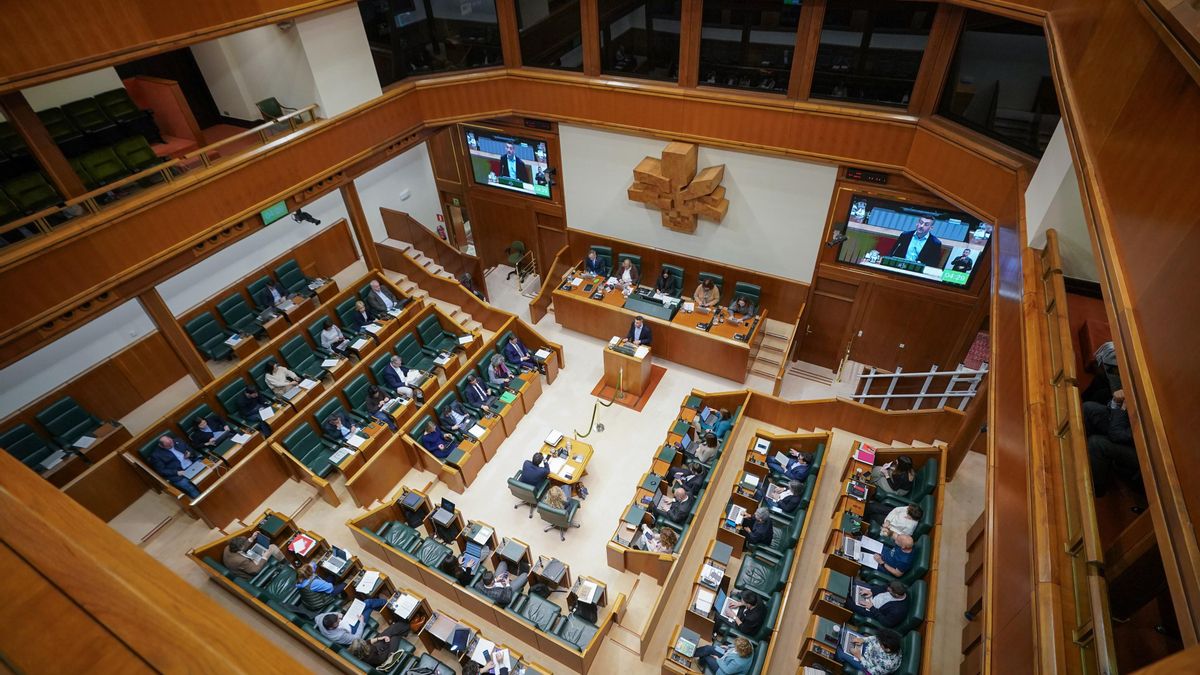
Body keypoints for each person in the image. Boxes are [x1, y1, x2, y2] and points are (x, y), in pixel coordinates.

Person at [1083, 389, 1141, 500]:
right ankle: (1076, 453)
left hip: (1143, 452)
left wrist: (1117, 405)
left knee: (1096, 443)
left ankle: (1096, 490)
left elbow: (1117, 435)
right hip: (1129, 423)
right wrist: (1117, 402)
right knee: (1088, 408)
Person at [315, 597, 388, 646]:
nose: (340, 621)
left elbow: (317, 617)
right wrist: (361, 622)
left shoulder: (321, 619)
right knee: (368, 609)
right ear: (331, 628)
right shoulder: (340, 636)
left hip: (347, 620)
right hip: (351, 630)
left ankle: (385, 602)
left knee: (367, 602)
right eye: (338, 622)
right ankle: (385, 604)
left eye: (338, 619)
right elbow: (357, 638)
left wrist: (338, 615)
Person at [346, 620, 411, 668]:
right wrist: (387, 642)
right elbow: (382, 659)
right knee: (395, 636)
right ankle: (410, 626)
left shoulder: (356, 650)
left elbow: (368, 642)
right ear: (364, 648)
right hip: (386, 655)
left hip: (378, 647)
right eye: (364, 643)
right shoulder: (371, 657)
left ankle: (405, 626)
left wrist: (380, 638)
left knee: (392, 629)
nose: (364, 642)